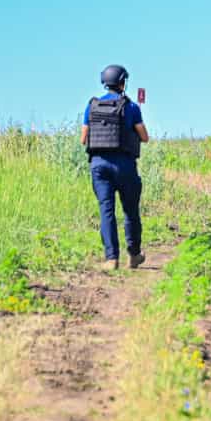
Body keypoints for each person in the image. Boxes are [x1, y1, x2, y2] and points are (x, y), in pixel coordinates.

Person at [80, 64, 150, 270]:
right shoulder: (131, 107)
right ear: (122, 82)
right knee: (130, 211)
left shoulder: (91, 106)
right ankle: (134, 254)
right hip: (125, 165)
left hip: (99, 166)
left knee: (106, 211)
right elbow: (144, 137)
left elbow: (83, 139)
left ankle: (111, 259)